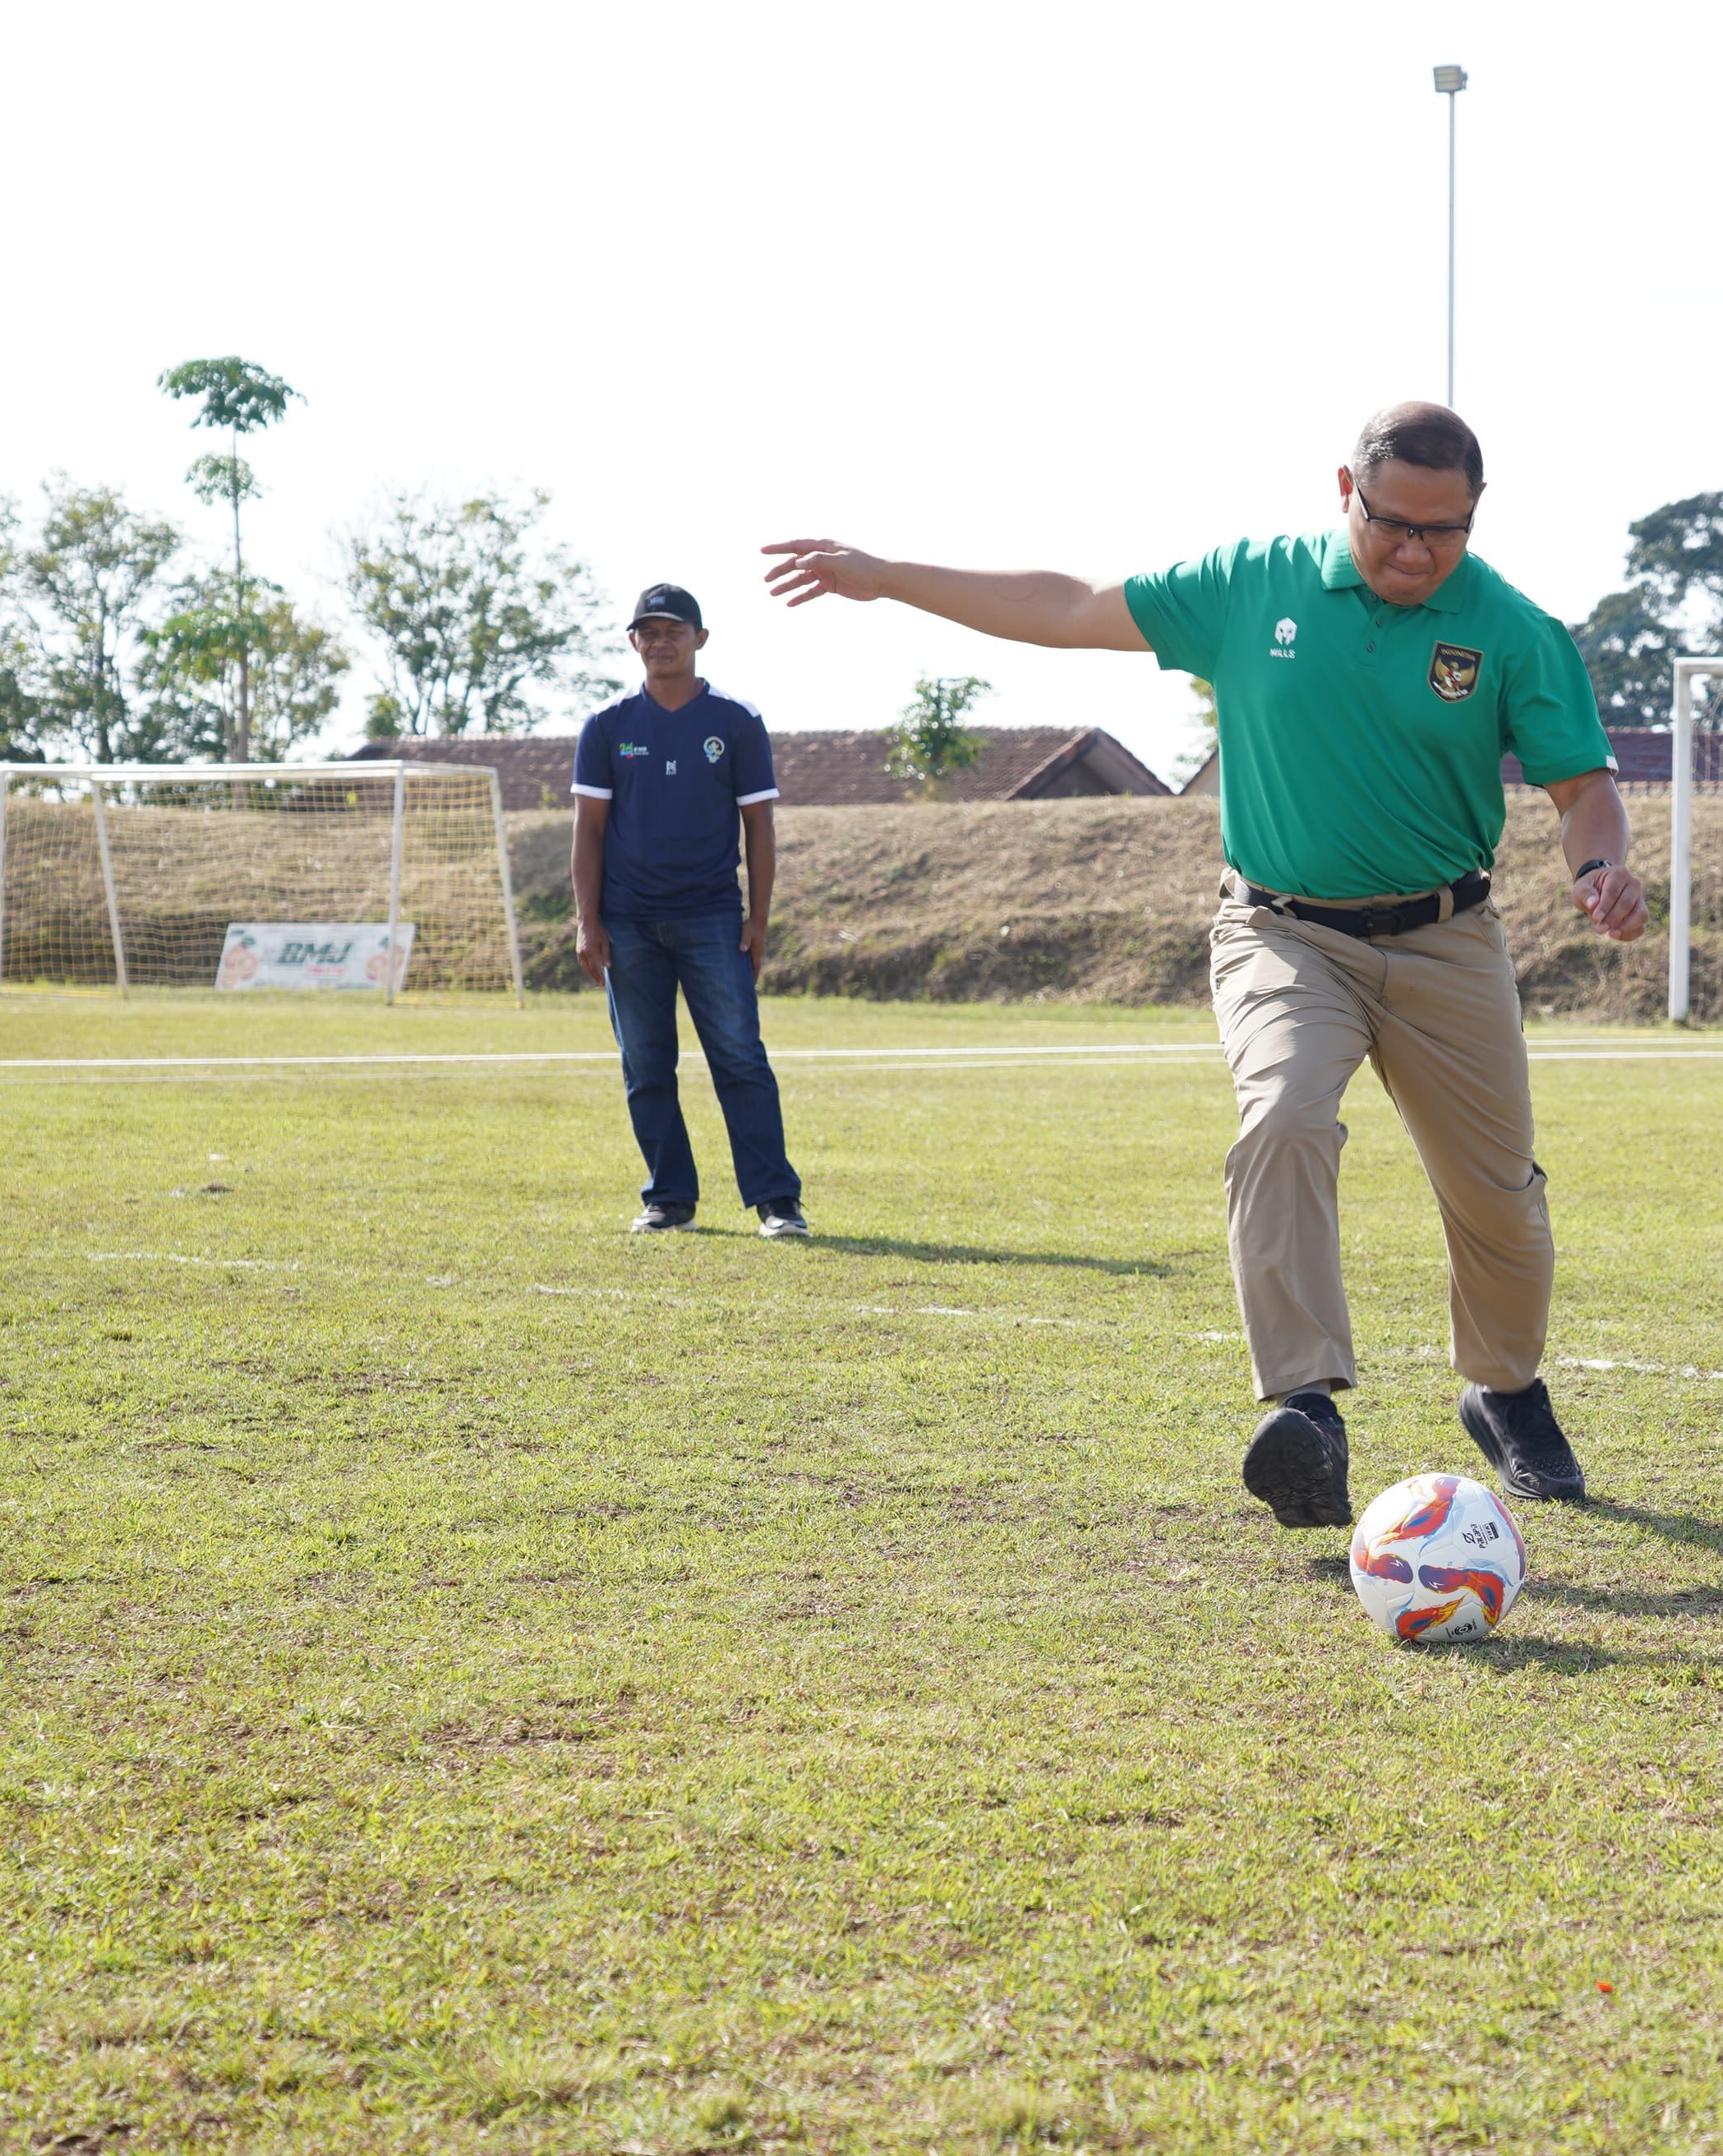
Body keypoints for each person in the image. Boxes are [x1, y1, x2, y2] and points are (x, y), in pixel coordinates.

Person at [761, 403, 1647, 1523]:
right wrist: (888, 575)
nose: (1417, 550)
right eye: (1394, 525)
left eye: (1446, 530)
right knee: (1281, 1119)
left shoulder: (1513, 629)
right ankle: (1305, 1413)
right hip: (1282, 931)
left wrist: (1600, 867)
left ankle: (1506, 1392)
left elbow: (1585, 790)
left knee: (1499, 1196)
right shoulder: (1251, 586)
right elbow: (1067, 607)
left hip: (1447, 938)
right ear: (1344, 491)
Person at [571, 583, 810, 1239]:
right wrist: (588, 921)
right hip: (628, 924)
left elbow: (758, 826)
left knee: (739, 1058)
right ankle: (669, 1199)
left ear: (700, 639)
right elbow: (588, 829)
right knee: (646, 1064)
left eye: (674, 629)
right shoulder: (607, 726)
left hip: (712, 918)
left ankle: (776, 1202)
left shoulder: (736, 721)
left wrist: (758, 918)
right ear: (633, 643)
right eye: (648, 631)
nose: (660, 641)